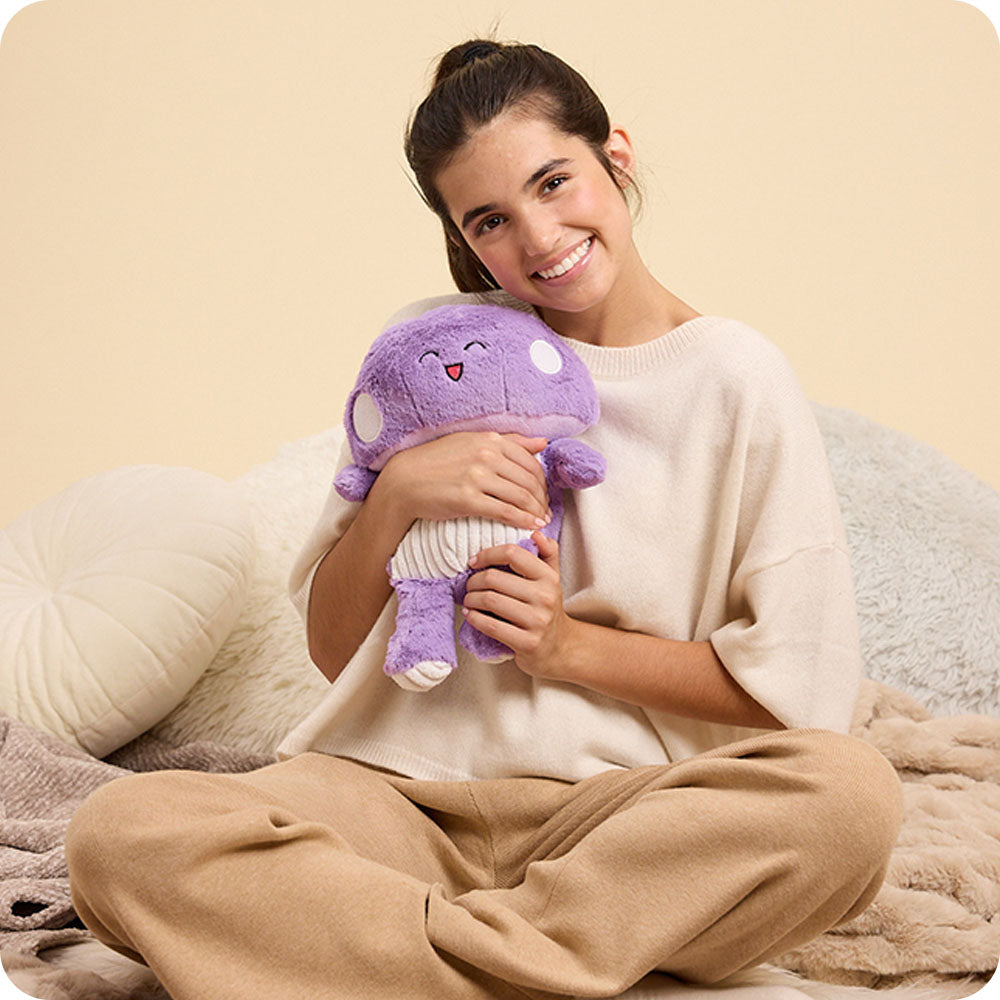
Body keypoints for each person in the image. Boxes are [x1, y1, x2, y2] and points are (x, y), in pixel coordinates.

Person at [66, 38, 903, 1000]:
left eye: (555, 182)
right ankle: (547, 964)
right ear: (465, 241)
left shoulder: (735, 377)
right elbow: (335, 651)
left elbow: (793, 693)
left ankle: (384, 962)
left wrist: (565, 647)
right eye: (491, 220)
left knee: (850, 799)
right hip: (393, 803)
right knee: (117, 836)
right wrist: (397, 497)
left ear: (615, 157)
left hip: (625, 829)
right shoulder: (430, 354)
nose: (539, 238)